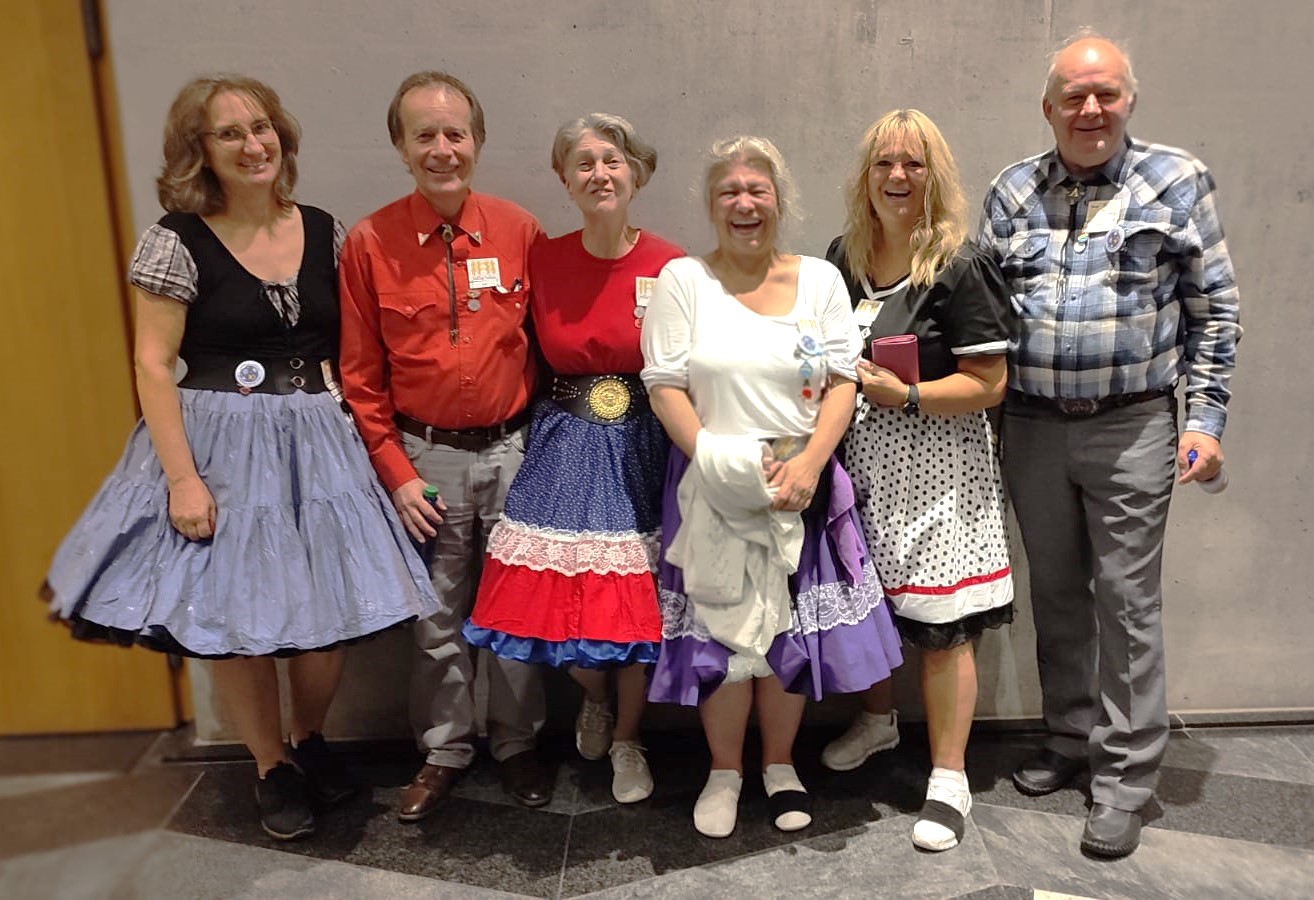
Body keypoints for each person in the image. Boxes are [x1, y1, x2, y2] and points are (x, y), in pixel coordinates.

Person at [41, 75, 438, 841]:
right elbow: (152, 363)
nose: (253, 145)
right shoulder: (176, 239)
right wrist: (182, 480)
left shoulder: (323, 229)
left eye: (262, 128)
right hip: (220, 446)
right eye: (230, 134)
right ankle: (270, 765)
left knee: (327, 615)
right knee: (238, 613)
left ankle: (309, 738)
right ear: (200, 151)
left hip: (319, 441)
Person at [980, 31, 1241, 858]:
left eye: (1106, 93)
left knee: (1127, 601)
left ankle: (1125, 777)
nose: (1090, 109)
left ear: (1130, 99)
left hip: (1133, 425)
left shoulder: (1176, 180)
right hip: (1030, 425)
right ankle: (1069, 736)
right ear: (1048, 106)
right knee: (1057, 592)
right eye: (1074, 95)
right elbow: (983, 320)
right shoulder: (1011, 191)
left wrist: (1203, 421)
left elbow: (1215, 313)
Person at [641, 136, 903, 839]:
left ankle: (781, 765)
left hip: (798, 481)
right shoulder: (683, 280)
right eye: (729, 191)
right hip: (711, 480)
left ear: (779, 201)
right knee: (723, 632)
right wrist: (721, 463)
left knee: (787, 628)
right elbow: (664, 385)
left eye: (757, 190)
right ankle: (725, 771)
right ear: (711, 204)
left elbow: (843, 379)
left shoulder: (820, 280)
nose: (744, 203)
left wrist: (811, 464)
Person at [338, 71, 551, 821]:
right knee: (435, 618)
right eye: (423, 135)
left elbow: (548, 347)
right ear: (401, 147)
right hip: (423, 460)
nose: (441, 149)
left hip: (515, 452)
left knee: (518, 608)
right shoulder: (369, 243)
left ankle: (518, 744)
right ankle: (444, 749)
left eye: (455, 133)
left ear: (477, 141)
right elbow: (359, 378)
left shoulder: (520, 231)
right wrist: (396, 473)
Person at [463, 114, 682, 804]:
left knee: (640, 598)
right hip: (564, 439)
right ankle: (595, 696)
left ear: (635, 172)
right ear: (564, 179)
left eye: (612, 160)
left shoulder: (672, 265)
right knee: (555, 595)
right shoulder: (544, 260)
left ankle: (629, 738)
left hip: (647, 438)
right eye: (583, 163)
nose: (600, 174)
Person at [818, 109, 1015, 851]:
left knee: (940, 625)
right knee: (869, 607)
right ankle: (877, 721)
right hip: (861, 461)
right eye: (884, 163)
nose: (897, 176)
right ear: (865, 176)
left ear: (936, 175)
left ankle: (949, 776)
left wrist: (906, 395)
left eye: (913, 163)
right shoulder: (843, 258)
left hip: (939, 468)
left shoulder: (960, 263)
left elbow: (990, 383)